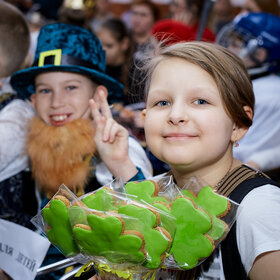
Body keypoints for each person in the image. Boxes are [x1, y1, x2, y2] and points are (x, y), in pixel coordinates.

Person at [8, 22, 152, 279]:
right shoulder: (37, 147)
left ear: (98, 95)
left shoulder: (120, 149)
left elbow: (151, 226)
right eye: (45, 90)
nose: (56, 102)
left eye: (71, 87)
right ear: (32, 100)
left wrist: (121, 165)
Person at [140, 41, 280, 279]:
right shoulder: (145, 198)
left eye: (200, 101)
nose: (176, 115)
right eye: (162, 103)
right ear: (144, 117)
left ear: (238, 124)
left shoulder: (258, 209)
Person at [217, 12, 280, 182]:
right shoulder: (253, 84)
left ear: (259, 54)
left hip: (238, 176)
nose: (229, 48)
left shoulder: (268, 93)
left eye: (236, 44)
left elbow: (243, 149)